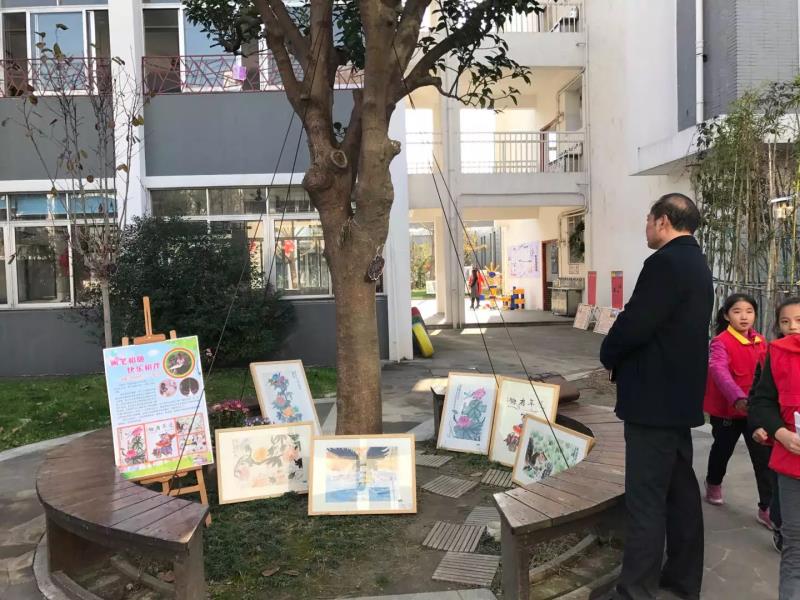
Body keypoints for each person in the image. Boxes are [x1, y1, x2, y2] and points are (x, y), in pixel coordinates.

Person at [600, 193, 713, 600]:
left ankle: (635, 591)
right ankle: (681, 579)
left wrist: (608, 352)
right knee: (680, 495)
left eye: (648, 220)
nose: (646, 228)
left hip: (653, 403)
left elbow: (635, 324)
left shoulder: (664, 263)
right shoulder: (697, 262)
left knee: (646, 499)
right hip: (679, 401)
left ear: (663, 220)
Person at [703, 293, 773, 529]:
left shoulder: (761, 341)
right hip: (728, 411)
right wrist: (737, 398)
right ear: (726, 315)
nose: (744, 317)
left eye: (749, 311)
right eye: (737, 311)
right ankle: (713, 482)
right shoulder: (720, 342)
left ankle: (766, 508)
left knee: (763, 459)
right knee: (722, 450)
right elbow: (718, 370)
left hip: (756, 412)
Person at [749, 297, 800, 598]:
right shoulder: (776, 354)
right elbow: (762, 401)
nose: (793, 327)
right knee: (795, 545)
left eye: (799, 320)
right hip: (792, 462)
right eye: (785, 321)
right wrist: (781, 433)